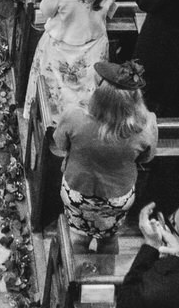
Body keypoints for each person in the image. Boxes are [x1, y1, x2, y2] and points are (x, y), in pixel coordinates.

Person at [53, 60, 158, 252]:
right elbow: (146, 158)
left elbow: (60, 144)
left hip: (78, 189)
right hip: (117, 196)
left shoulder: (74, 117)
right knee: (109, 239)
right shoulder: (146, 125)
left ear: (99, 95)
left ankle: (77, 277)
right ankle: (107, 276)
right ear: (136, 99)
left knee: (78, 238)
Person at [30, 0, 120, 126]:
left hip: (62, 48)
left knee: (56, 93)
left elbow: (46, 10)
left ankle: (53, 125)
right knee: (86, 94)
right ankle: (84, 127)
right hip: (93, 46)